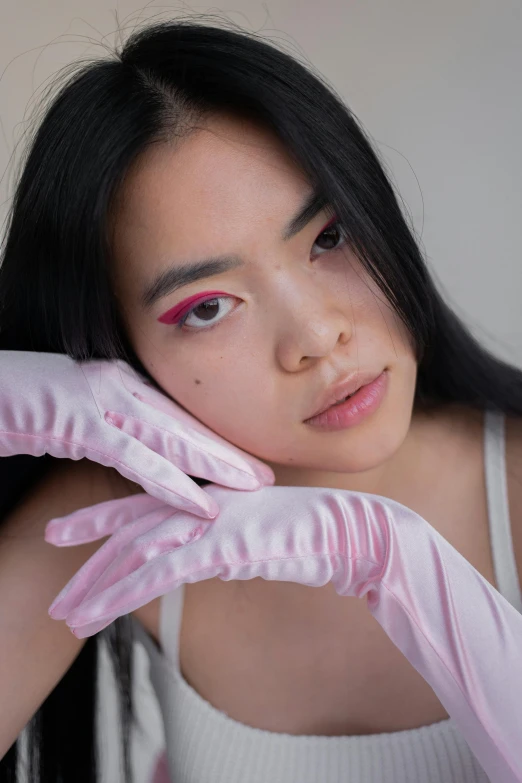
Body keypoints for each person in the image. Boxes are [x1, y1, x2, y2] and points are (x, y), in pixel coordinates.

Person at [1, 15, 521, 783]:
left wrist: (404, 571)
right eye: (205, 306)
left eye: (328, 236)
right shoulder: (122, 522)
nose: (315, 335)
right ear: (119, 349)